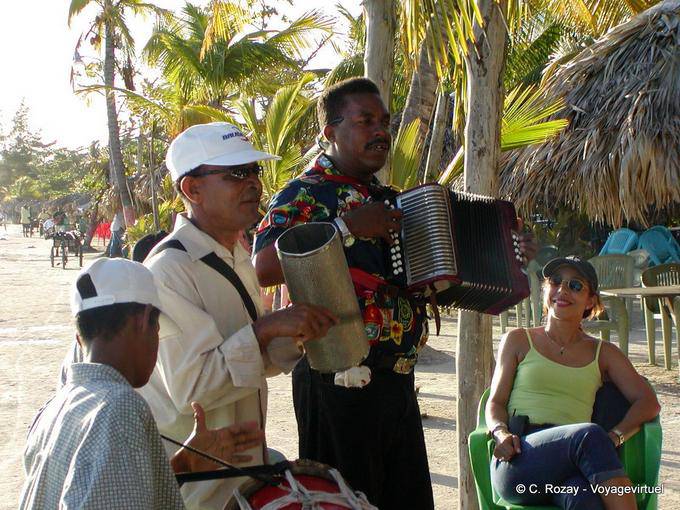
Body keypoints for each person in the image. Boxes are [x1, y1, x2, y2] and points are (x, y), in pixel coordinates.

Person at [253, 77, 536, 509]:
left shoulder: (393, 200)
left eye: (384, 121)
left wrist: (505, 252)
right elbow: (266, 266)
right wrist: (346, 227)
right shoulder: (304, 193)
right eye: (365, 121)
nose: (381, 131)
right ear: (330, 132)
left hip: (397, 380)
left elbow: (440, 274)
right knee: (347, 503)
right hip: (337, 380)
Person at [138, 122, 337, 509]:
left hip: (239, 471)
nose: (253, 184)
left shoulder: (234, 253)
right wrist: (265, 330)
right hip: (200, 482)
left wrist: (300, 333)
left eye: (253, 171)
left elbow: (247, 358)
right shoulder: (168, 270)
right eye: (235, 173)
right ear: (192, 189)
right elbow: (192, 388)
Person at [20, 258, 266, 510]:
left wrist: (183, 464)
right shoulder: (118, 407)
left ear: (79, 338)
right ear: (144, 319)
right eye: (157, 327)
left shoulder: (54, 407)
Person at [486, 256, 661, 510]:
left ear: (591, 300)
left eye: (575, 285)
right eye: (556, 281)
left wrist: (615, 437)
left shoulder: (603, 353)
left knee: (588, 502)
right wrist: (501, 433)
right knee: (589, 434)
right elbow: (495, 402)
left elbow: (648, 402)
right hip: (521, 459)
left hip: (576, 462)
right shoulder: (518, 340)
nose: (563, 290)